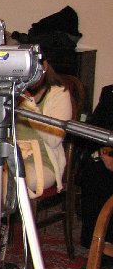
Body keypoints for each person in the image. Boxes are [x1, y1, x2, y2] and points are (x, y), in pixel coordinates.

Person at [15, 55, 73, 197]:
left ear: (44, 66)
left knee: (14, 181)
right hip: (13, 158)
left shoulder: (59, 94)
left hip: (43, 162)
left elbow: (54, 139)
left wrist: (28, 105)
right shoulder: (13, 91)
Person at [79, 84, 113, 248]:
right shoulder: (110, 93)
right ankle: (97, 244)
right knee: (94, 171)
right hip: (109, 154)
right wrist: (103, 152)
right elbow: (95, 132)